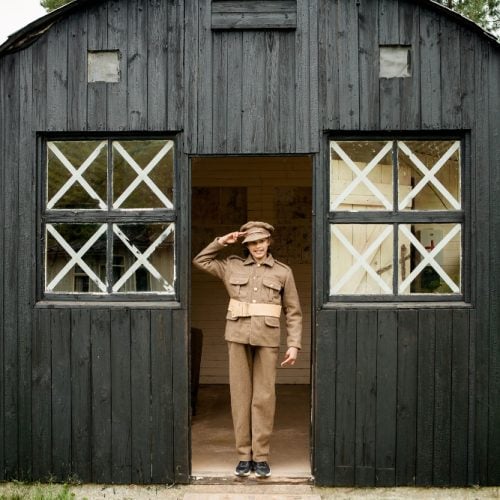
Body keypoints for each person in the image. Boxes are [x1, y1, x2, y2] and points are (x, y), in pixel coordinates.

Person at [192, 221, 302, 478]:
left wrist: (294, 344)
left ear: (269, 242)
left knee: (263, 399)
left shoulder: (283, 272)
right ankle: (244, 456)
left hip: (267, 338)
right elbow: (200, 260)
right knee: (240, 397)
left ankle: (261, 457)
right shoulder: (231, 265)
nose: (258, 246)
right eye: (252, 242)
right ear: (246, 245)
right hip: (238, 337)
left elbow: (293, 312)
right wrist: (222, 241)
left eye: (261, 241)